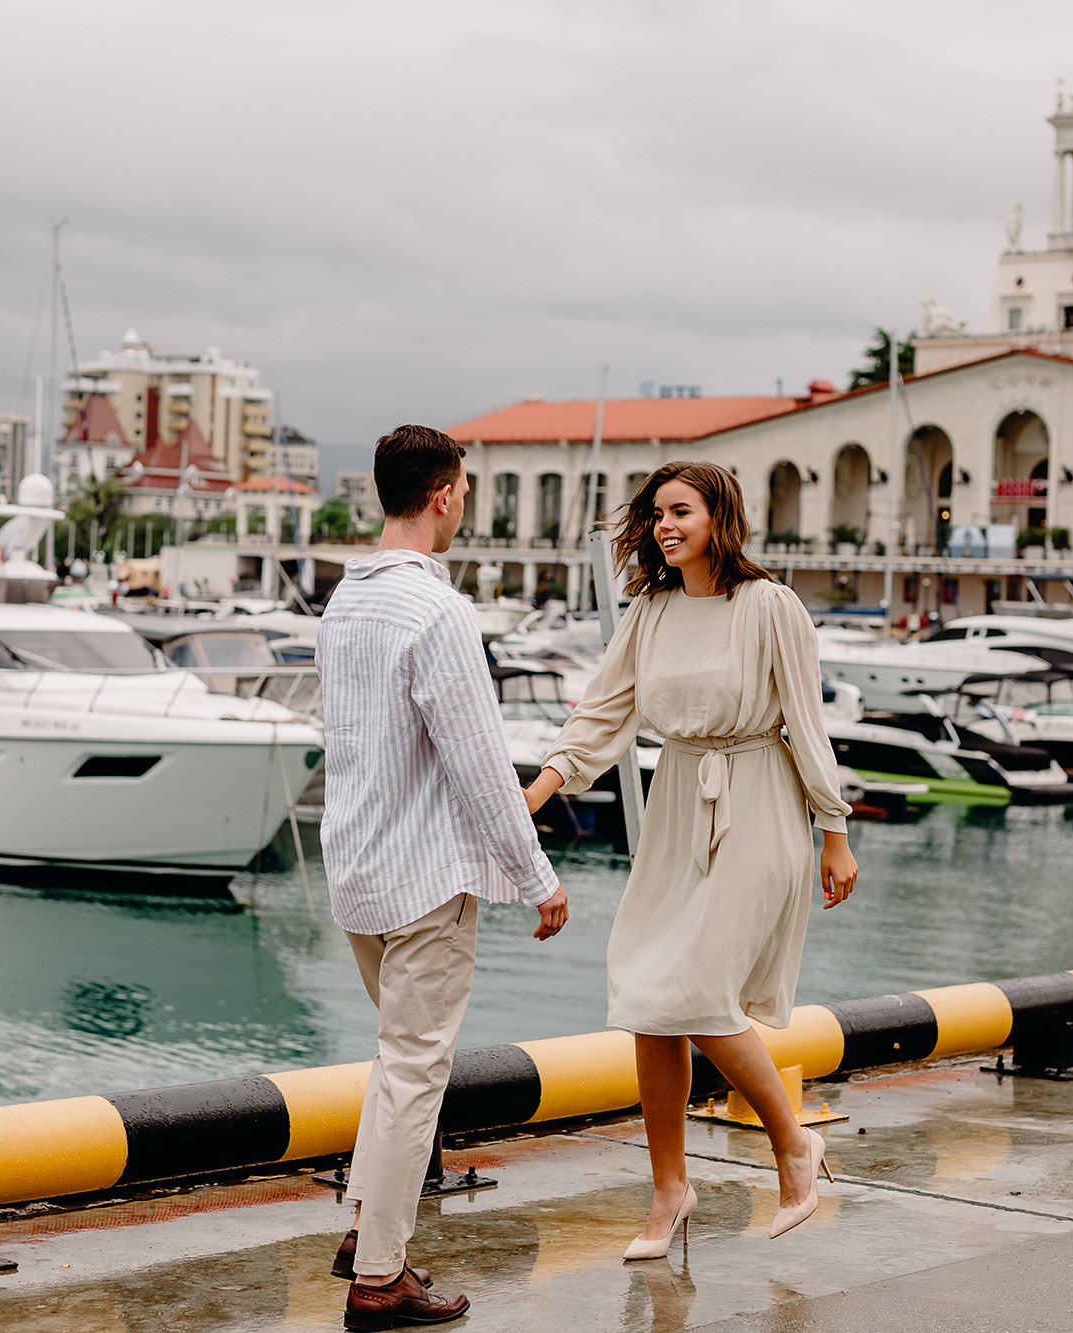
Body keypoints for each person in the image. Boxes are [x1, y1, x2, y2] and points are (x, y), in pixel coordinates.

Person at [523, 461, 858, 1261]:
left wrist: (835, 829)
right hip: (678, 798)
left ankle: (791, 1143)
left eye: (682, 510)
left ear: (720, 517)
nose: (666, 525)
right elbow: (601, 716)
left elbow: (807, 724)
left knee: (700, 989)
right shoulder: (651, 610)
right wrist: (532, 795)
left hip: (759, 797)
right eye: (657, 513)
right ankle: (670, 1189)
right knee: (646, 992)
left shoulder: (770, 605)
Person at [318, 424, 569, 1329]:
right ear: (443, 495)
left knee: (396, 1063)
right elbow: (476, 760)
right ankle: (380, 1277)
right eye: (463, 489)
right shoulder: (439, 611)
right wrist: (537, 875)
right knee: (415, 1069)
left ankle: (366, 1229)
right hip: (423, 878)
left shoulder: (345, 602)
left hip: (355, 867)